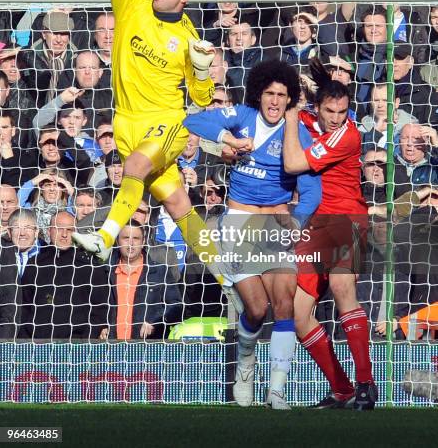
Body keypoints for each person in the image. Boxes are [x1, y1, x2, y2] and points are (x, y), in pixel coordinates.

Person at [73, 0, 237, 303]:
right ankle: (223, 273)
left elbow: (200, 95)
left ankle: (104, 236)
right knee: (178, 202)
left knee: (133, 169)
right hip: (126, 120)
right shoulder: (134, 2)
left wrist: (200, 70)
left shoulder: (189, 39)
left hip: (165, 123)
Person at [184, 60, 321, 409]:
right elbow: (192, 120)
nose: (275, 101)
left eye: (282, 95)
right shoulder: (242, 116)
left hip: (275, 226)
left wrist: (297, 220)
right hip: (239, 222)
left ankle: (276, 389)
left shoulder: (297, 133)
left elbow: (312, 190)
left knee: (285, 304)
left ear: (290, 100)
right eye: (269, 93)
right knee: (257, 309)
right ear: (258, 94)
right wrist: (228, 139)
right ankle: (245, 362)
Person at [283, 59, 377, 410]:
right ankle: (342, 388)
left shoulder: (347, 134)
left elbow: (293, 164)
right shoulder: (307, 119)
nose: (336, 117)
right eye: (330, 110)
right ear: (318, 106)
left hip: (347, 218)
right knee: (298, 313)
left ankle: (366, 383)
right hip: (313, 226)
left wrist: (293, 117)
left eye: (342, 110)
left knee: (341, 287)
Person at [19, 211, 109, 339]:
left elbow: (100, 310)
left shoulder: (90, 266)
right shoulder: (35, 264)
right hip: (38, 346)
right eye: (59, 229)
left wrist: (85, 341)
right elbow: (25, 306)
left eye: (69, 229)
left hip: (77, 347)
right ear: (49, 231)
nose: (64, 234)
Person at [101, 222, 183, 340]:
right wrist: (101, 326)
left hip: (147, 348)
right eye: (126, 238)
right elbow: (94, 307)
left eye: (136, 238)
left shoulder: (160, 271)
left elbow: (176, 306)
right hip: (111, 348)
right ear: (117, 241)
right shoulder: (105, 271)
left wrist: (155, 322)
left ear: (143, 241)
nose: (131, 243)